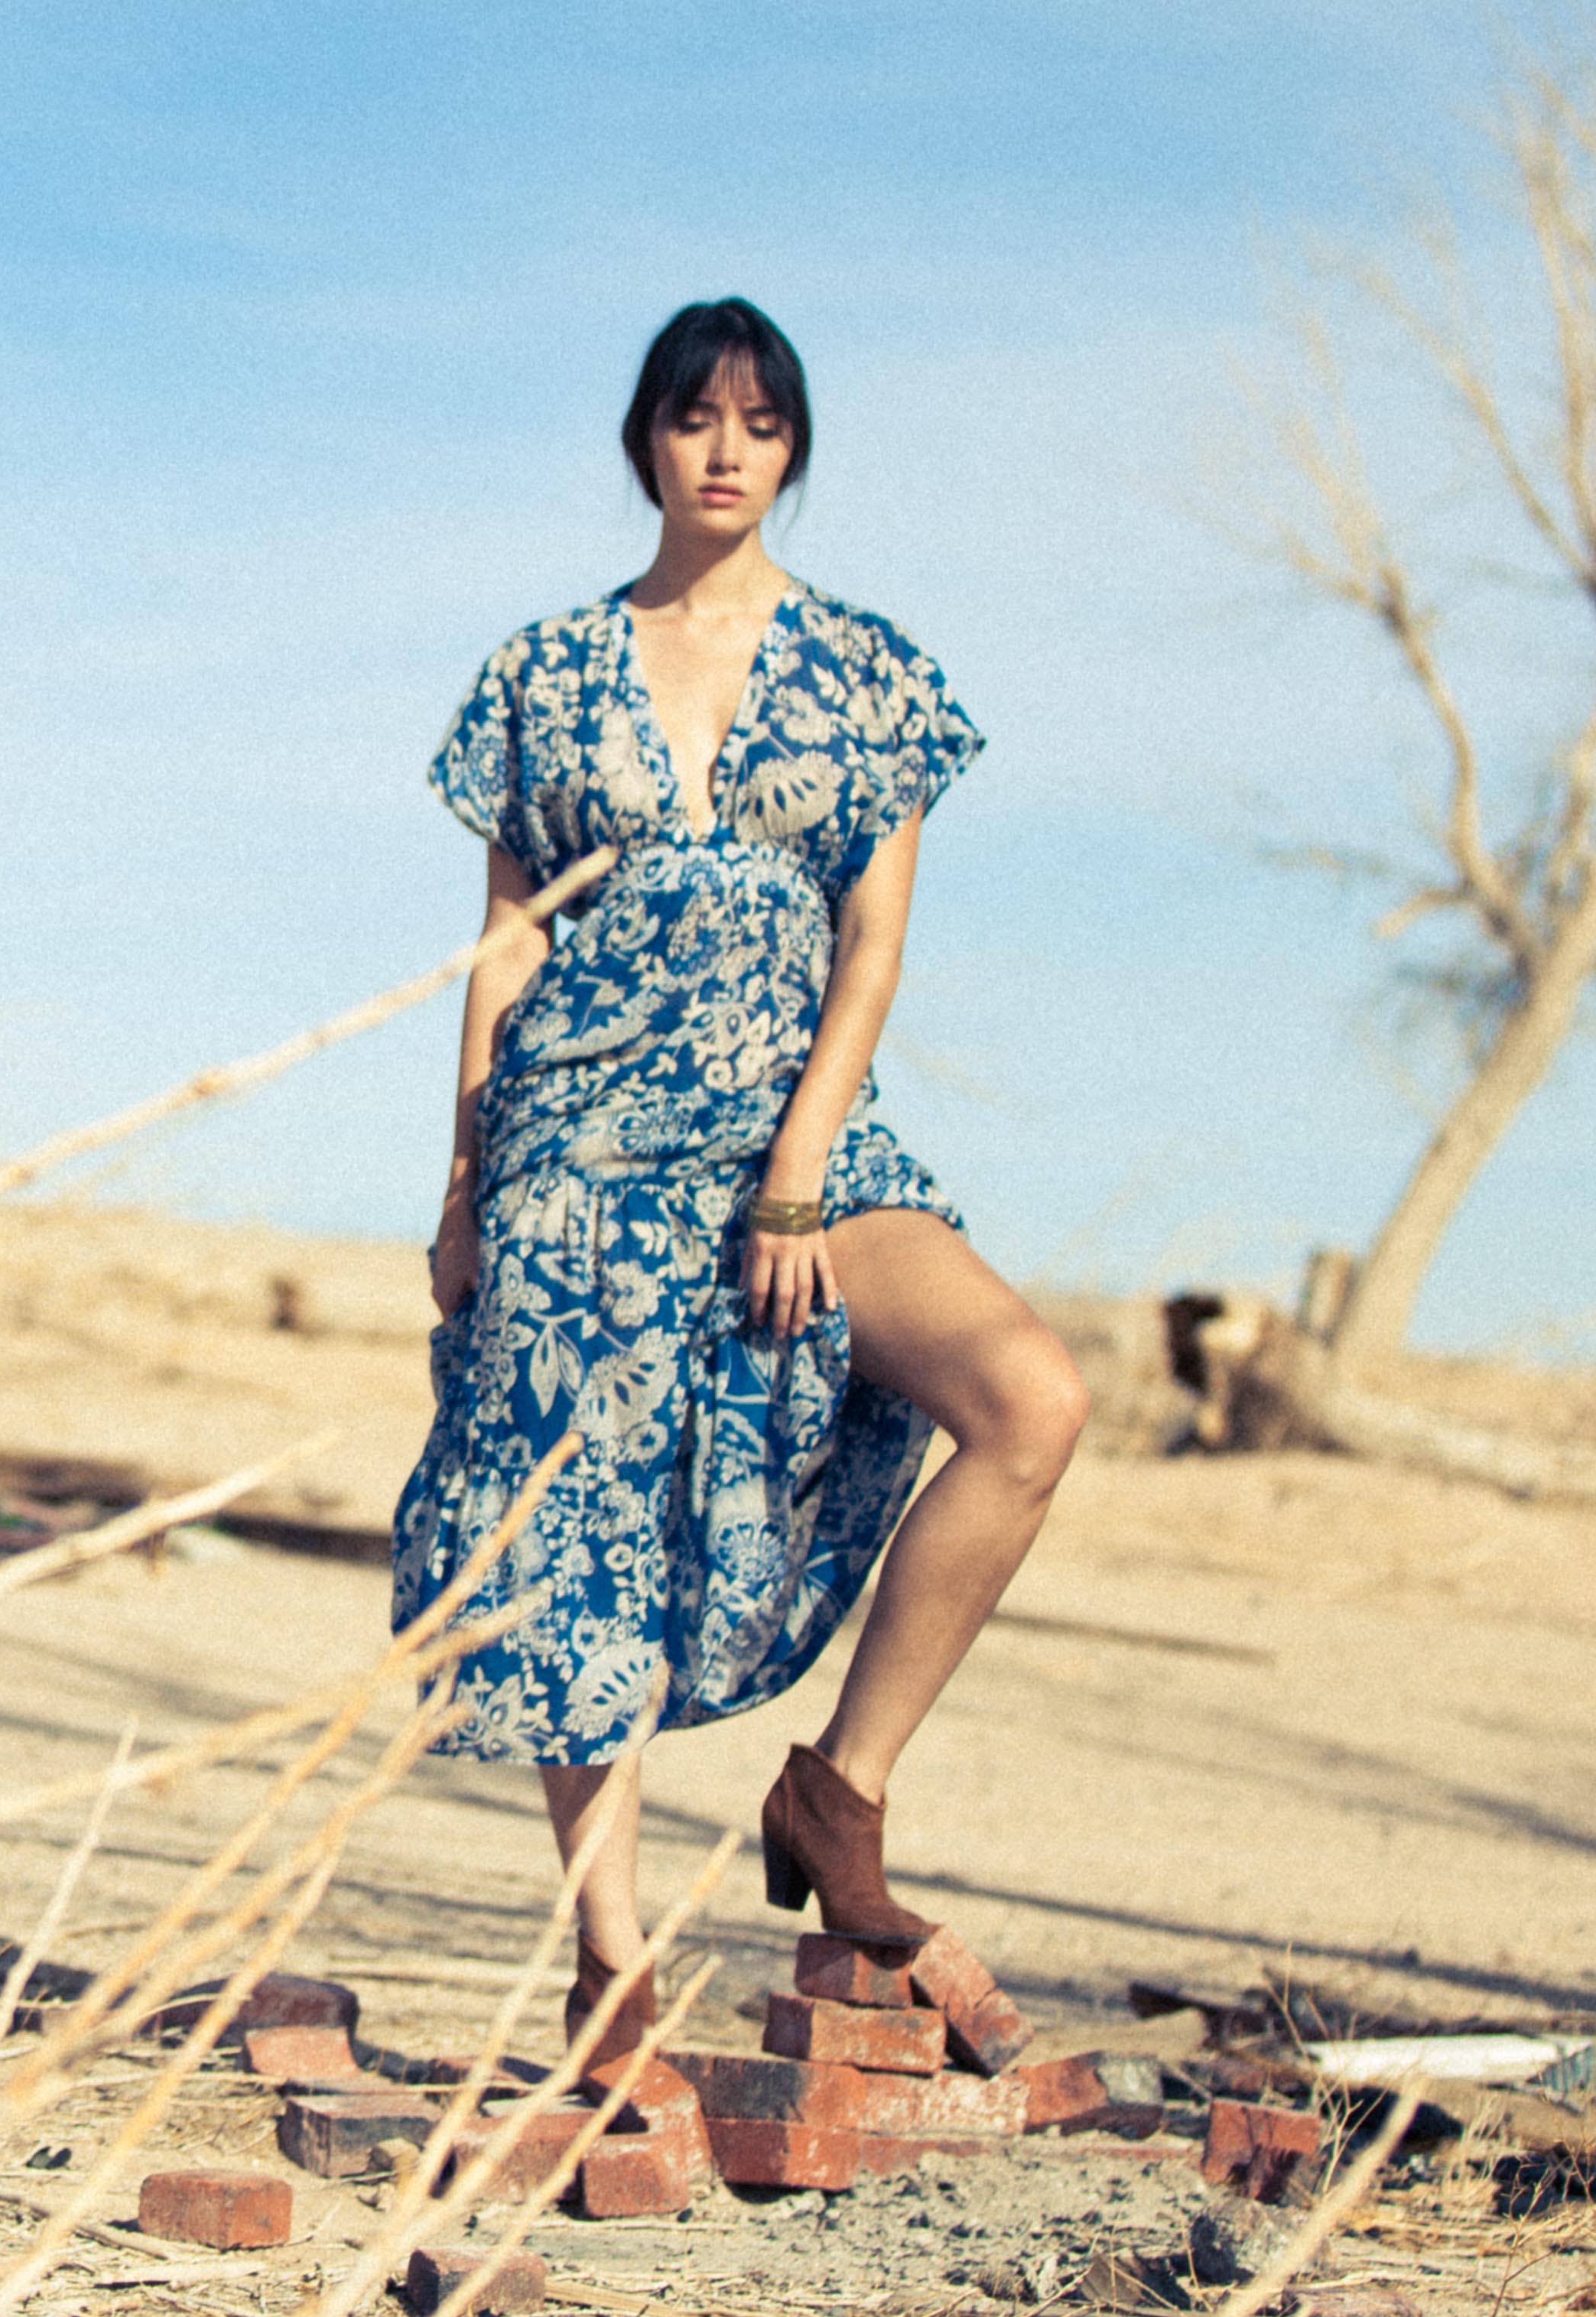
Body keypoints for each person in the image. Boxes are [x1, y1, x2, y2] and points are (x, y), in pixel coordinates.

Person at [390, 296, 1089, 2075]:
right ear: (645, 436)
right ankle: (609, 1958)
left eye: (762, 424)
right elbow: (503, 946)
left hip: (799, 1138)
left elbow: (874, 949)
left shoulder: (869, 672)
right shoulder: (546, 673)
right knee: (580, 1536)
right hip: (579, 1151)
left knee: (1030, 1398)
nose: (725, 450)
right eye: (695, 417)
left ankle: (839, 1795)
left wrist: (794, 1180)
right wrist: (467, 1188)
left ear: (793, 450)